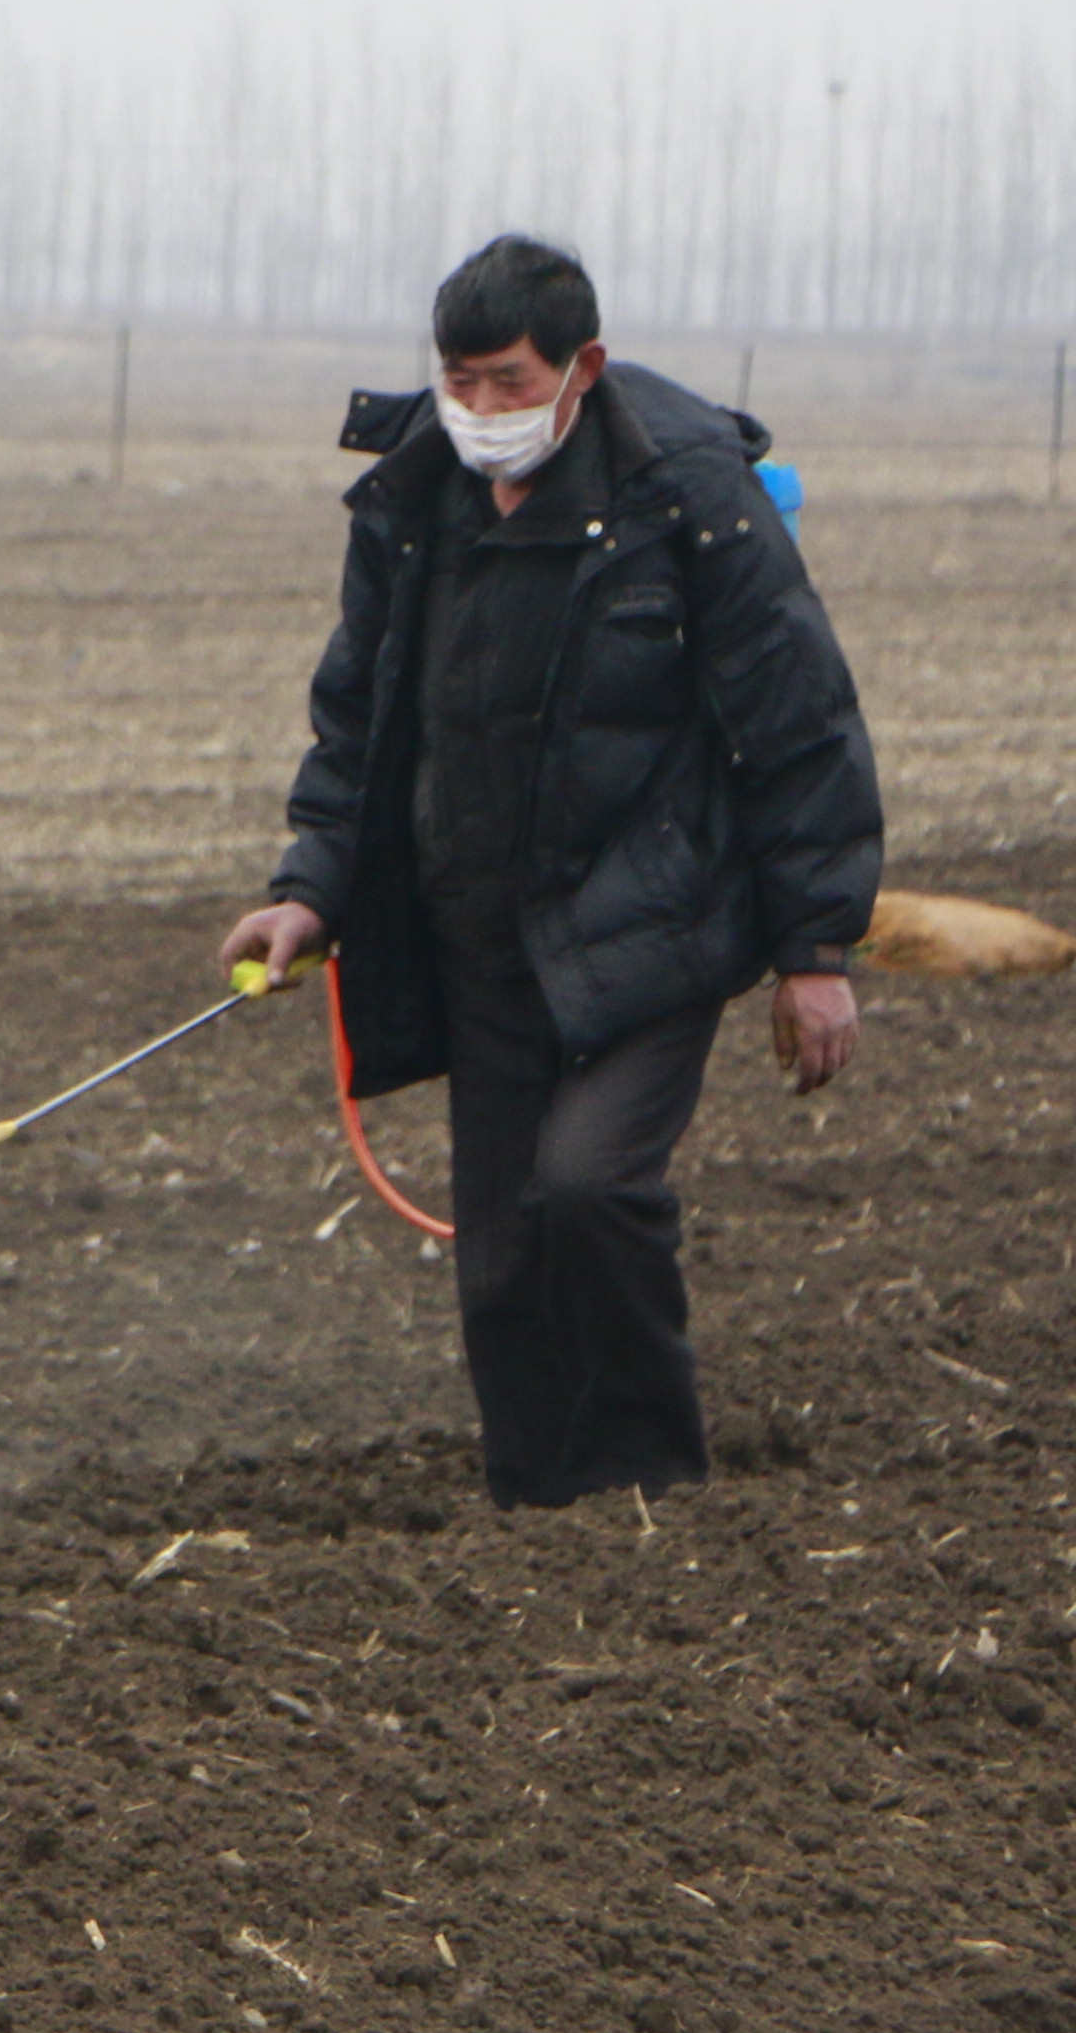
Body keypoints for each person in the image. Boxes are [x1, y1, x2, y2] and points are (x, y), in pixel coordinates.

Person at [221, 234, 880, 1507]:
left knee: (589, 1190)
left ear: (584, 367)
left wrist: (815, 954)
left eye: (510, 383)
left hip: (659, 917)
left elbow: (799, 722)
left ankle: (652, 1489)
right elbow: (362, 713)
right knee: (503, 1259)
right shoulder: (414, 501)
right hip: (481, 927)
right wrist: (311, 887)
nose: (479, 412)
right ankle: (533, 1509)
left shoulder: (687, 493)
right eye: (459, 381)